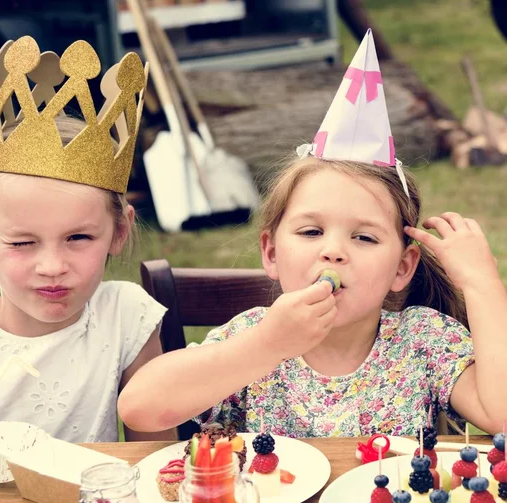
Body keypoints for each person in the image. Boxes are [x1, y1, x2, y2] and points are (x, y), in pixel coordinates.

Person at [118, 30, 507, 438]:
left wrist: (481, 284)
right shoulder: (250, 336)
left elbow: (500, 418)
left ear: (402, 267)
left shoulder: (422, 342)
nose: (334, 251)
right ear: (270, 252)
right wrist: (266, 345)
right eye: (311, 231)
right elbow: (139, 408)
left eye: (364, 238)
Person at [0, 33, 176, 443]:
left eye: (79, 237)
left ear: (119, 231)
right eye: (21, 242)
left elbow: (158, 465)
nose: (52, 267)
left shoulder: (123, 320)